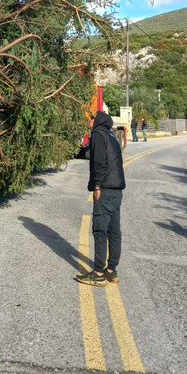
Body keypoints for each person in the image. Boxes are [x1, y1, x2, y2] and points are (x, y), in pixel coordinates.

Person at [76, 111, 126, 286]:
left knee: (100, 230)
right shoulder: (111, 135)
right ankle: (111, 271)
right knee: (114, 231)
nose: (88, 122)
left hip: (104, 188)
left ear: (95, 121)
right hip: (117, 189)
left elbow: (98, 161)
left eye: (90, 119)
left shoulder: (97, 134)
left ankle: (97, 272)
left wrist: (97, 185)